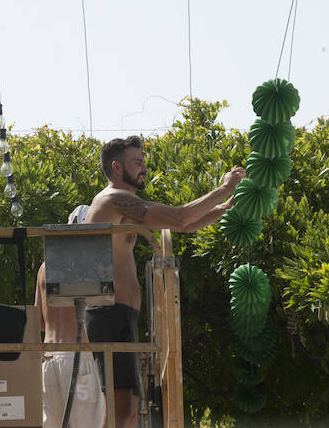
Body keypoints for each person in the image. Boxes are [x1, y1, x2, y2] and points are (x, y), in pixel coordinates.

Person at [84, 136, 245, 428]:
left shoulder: (122, 203)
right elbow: (180, 218)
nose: (144, 168)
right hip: (107, 312)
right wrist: (224, 187)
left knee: (127, 410)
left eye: (143, 162)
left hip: (119, 313)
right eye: (137, 162)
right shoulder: (113, 200)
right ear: (117, 167)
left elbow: (188, 224)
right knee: (121, 410)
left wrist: (225, 207)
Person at [35, 204, 106, 428]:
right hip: (80, 357)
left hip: (47, 361)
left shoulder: (45, 267)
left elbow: (40, 322)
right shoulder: (92, 265)